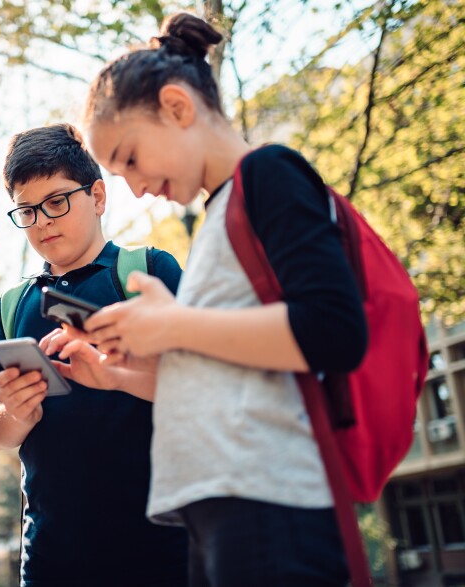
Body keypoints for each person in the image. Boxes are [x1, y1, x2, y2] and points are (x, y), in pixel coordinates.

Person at [74, 12, 368, 587]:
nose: (134, 187)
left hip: (267, 502)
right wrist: (134, 363)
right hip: (221, 506)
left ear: (177, 107)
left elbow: (334, 329)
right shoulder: (217, 215)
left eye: (130, 158)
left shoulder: (269, 173)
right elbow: (232, 362)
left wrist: (177, 326)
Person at [0, 123, 189, 586]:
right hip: (52, 556)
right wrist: (15, 412)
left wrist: (119, 369)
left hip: (165, 547)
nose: (43, 221)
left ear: (96, 196)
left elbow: (203, 386)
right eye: (27, 211)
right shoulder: (12, 307)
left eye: (56, 202)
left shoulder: (148, 273)